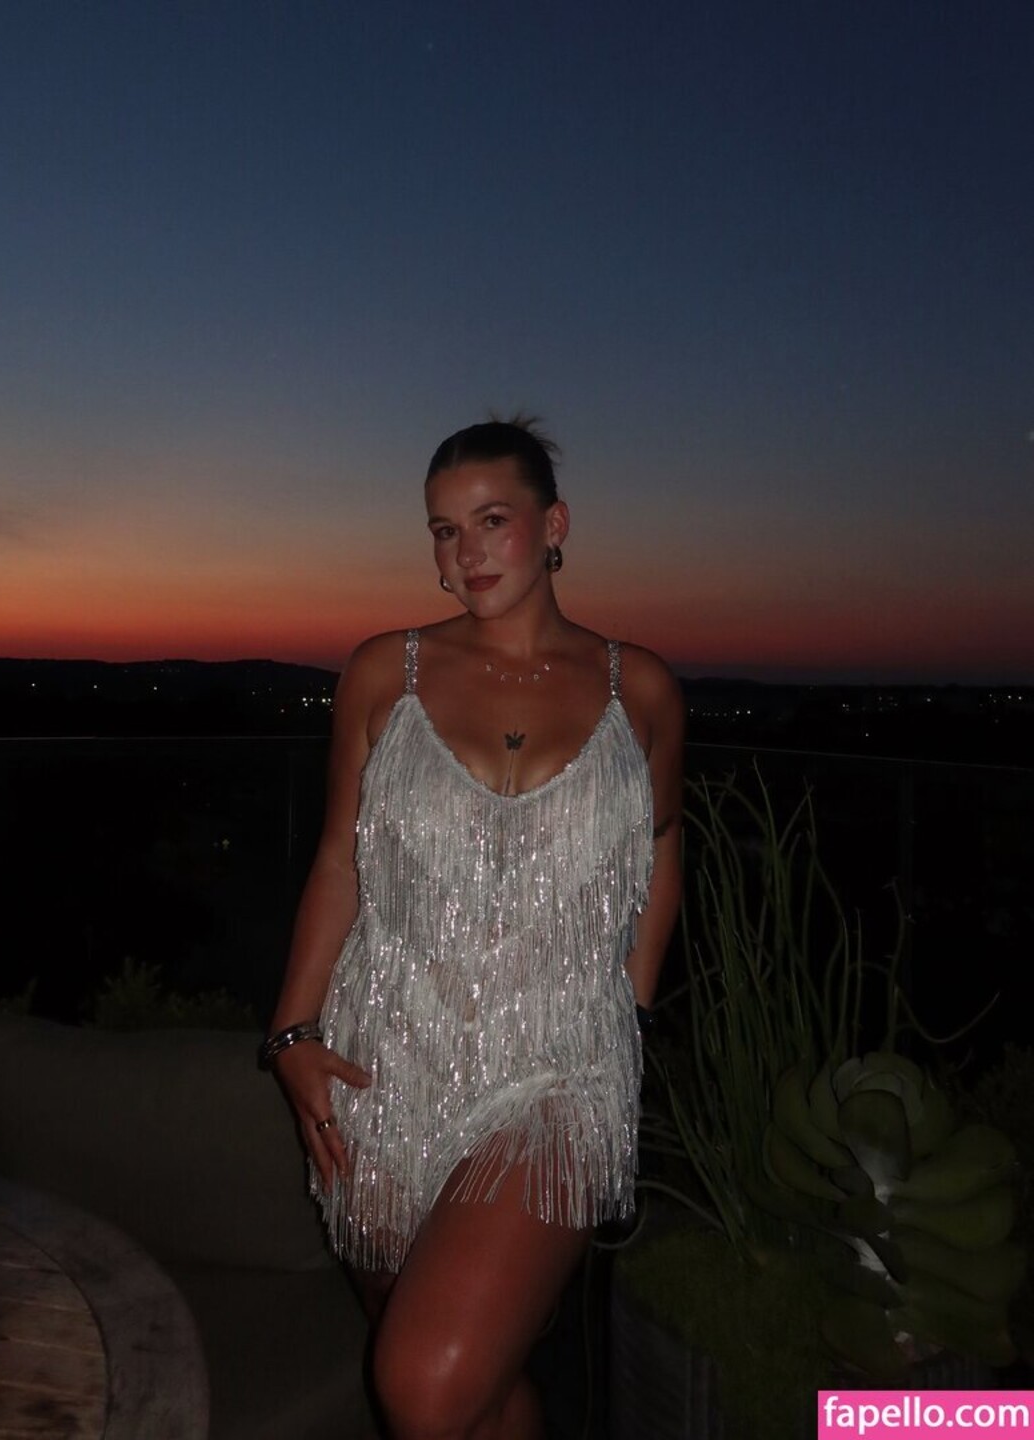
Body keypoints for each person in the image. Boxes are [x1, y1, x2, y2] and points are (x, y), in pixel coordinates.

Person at [264, 418, 684, 1440]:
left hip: (555, 1072)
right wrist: (293, 1033)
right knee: (465, 1392)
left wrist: (631, 1012)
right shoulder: (384, 673)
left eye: (492, 521)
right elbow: (340, 860)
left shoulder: (640, 689)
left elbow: (664, 843)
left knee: (425, 1379)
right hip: (385, 1060)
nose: (465, 553)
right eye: (444, 531)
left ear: (554, 526)